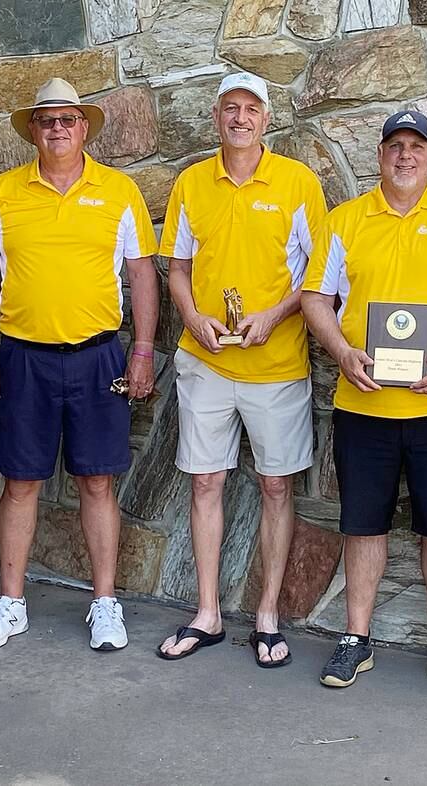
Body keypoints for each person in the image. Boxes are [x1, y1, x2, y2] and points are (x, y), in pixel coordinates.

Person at [301, 110, 427, 701]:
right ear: (380, 155)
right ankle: (356, 638)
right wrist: (342, 352)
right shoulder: (346, 221)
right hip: (364, 406)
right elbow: (315, 298)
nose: (405, 156)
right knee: (364, 525)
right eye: (395, 146)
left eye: (416, 146)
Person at [0, 78, 159, 652]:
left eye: (68, 119)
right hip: (23, 358)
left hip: (99, 357)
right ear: (32, 131)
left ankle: (104, 603)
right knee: (20, 483)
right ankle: (11, 603)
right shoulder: (3, 192)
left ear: (84, 128)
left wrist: (142, 349)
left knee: (97, 482)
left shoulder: (119, 192)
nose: (57, 129)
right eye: (47, 120)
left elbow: (142, 273)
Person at [155, 73, 327, 667]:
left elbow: (317, 275)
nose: (240, 119)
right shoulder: (190, 182)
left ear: (266, 120)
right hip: (205, 359)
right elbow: (175, 267)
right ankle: (206, 613)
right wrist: (193, 316)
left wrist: (276, 316)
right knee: (205, 482)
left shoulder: (298, 183)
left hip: (276, 364)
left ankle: (267, 614)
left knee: (277, 485)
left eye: (252, 109)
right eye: (231, 109)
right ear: (217, 118)